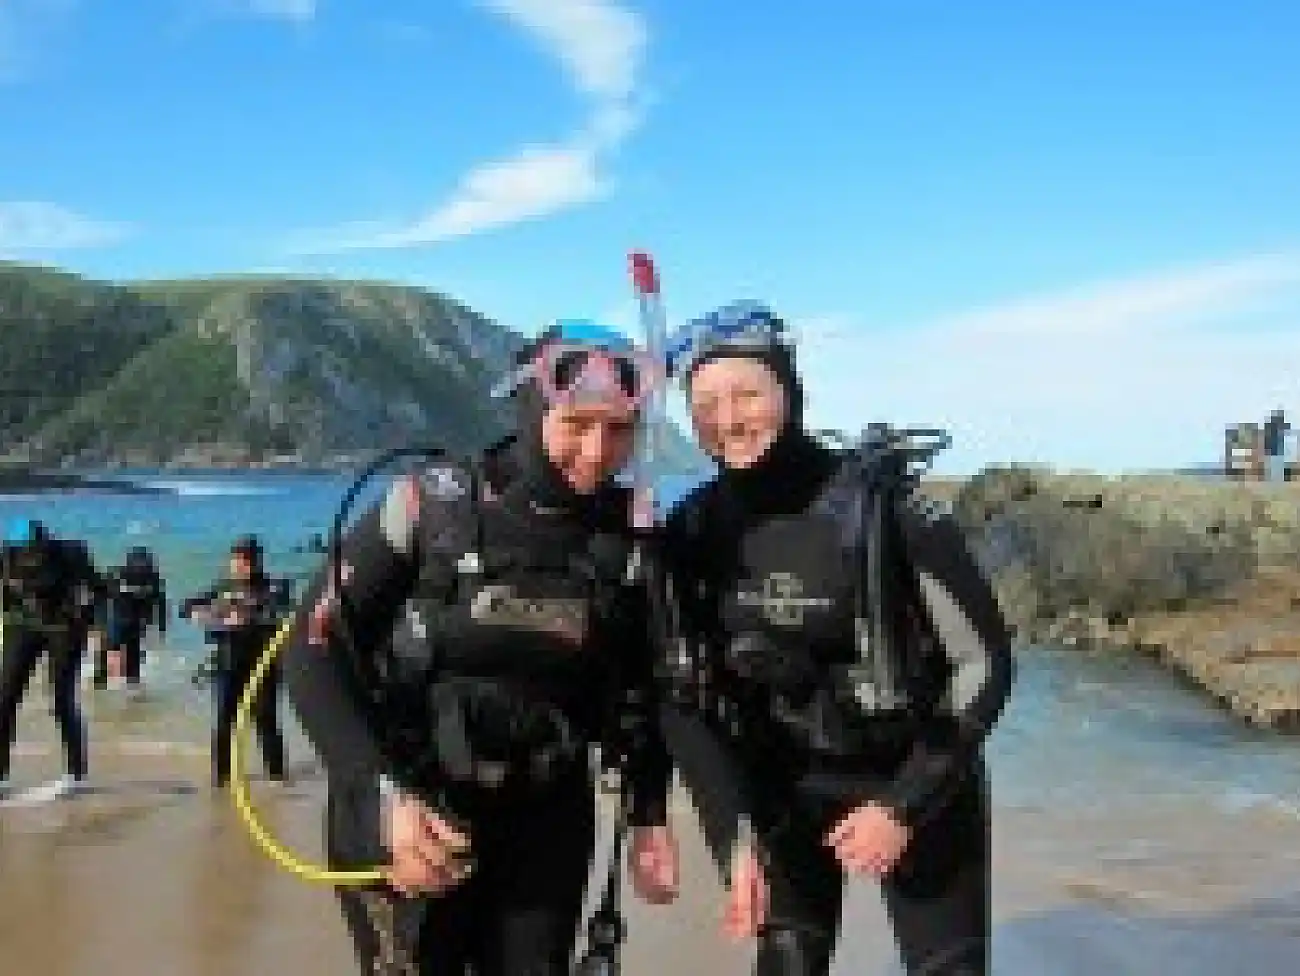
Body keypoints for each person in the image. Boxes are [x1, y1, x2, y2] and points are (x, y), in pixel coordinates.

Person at [282, 321, 680, 975]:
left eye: (618, 430)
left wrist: (648, 811)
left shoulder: (631, 539)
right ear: (531, 405)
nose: (596, 449)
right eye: (577, 423)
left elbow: (651, 683)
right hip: (411, 802)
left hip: (546, 818)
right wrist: (379, 794)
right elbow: (313, 645)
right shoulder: (431, 505)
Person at [657, 303, 1015, 975]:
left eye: (748, 394)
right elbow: (683, 696)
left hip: (914, 779)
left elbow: (983, 663)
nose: (728, 420)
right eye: (704, 404)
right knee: (788, 960)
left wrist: (903, 804)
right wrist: (730, 836)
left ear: (791, 391)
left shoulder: (888, 510)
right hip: (785, 790)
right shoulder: (693, 528)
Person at [181, 535, 285, 787]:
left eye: (247, 559)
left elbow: (275, 611)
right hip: (229, 662)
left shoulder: (274, 586)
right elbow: (186, 606)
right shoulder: (222, 587)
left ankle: (276, 777)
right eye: (237, 559)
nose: (241, 565)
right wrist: (206, 615)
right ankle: (222, 778)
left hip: (263, 664)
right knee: (225, 719)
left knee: (265, 719)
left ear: (258, 561)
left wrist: (244, 615)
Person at [0, 519, 95, 796]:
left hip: (64, 627)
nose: (31, 559)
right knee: (5, 696)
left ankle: (76, 774)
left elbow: (100, 589)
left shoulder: (71, 554)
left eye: (36, 551)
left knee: (61, 697)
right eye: (25, 552)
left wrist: (96, 627)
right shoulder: (7, 556)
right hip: (22, 624)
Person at [95, 546, 167, 689]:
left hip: (138, 619)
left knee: (133, 652)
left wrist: (161, 626)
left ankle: (132, 686)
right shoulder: (118, 574)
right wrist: (99, 621)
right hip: (119, 615)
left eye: (144, 565)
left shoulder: (153, 579)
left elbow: (161, 602)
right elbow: (101, 595)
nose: (140, 568)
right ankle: (102, 679)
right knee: (110, 646)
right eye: (138, 564)